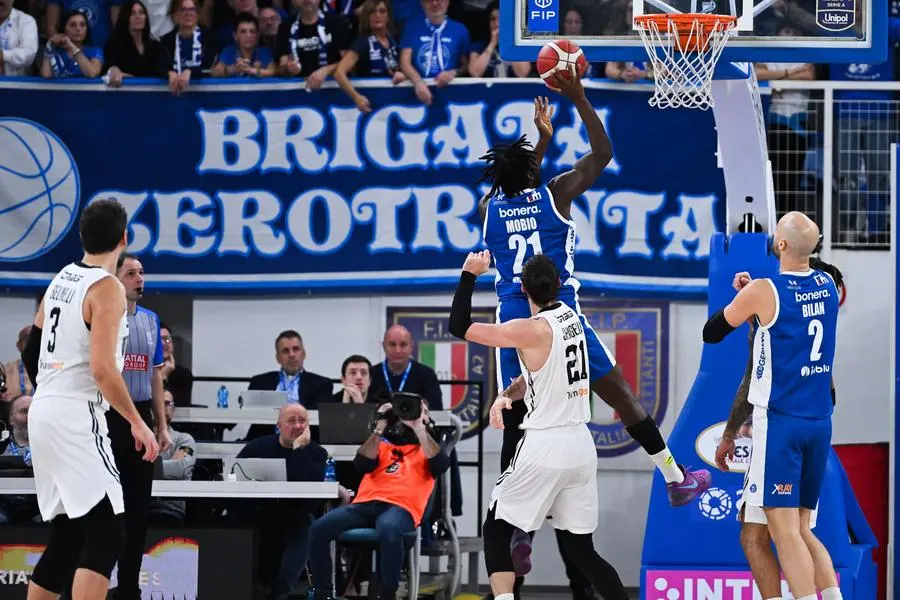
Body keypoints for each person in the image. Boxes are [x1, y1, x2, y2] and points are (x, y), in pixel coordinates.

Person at [477, 67, 710, 591]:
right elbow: (601, 155)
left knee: (519, 425)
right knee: (622, 396)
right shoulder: (556, 193)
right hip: (561, 319)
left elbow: (518, 182)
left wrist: (540, 141)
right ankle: (675, 478)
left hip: (514, 322)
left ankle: (518, 534)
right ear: (535, 173)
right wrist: (578, 100)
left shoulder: (489, 207)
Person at [448, 250, 630, 600]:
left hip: (545, 443)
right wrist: (507, 395)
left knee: (497, 530)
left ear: (522, 288)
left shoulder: (528, 330)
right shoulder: (572, 319)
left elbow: (459, 326)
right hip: (580, 446)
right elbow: (539, 372)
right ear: (559, 285)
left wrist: (469, 274)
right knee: (581, 551)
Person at [19, 198, 158, 600]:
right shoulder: (108, 287)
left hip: (45, 407)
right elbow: (102, 370)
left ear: (82, 237)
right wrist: (136, 420)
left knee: (70, 533)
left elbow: (31, 352)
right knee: (109, 534)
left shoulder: (61, 278)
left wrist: (52, 388)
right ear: (124, 238)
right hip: (76, 412)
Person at [702, 212, 843, 600]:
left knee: (784, 532)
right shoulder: (828, 284)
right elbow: (783, 322)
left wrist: (745, 298)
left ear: (780, 245)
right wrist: (755, 300)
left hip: (781, 424)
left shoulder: (766, 290)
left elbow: (712, 332)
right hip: (819, 421)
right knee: (801, 528)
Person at [307, 396, 449, 600]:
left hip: (400, 508)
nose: (414, 414)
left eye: (423, 411)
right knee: (318, 529)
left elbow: (440, 464)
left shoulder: (429, 448)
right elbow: (361, 463)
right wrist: (380, 424)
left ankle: (387, 594)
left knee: (389, 529)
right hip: (364, 505)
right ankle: (324, 593)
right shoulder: (382, 443)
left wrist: (419, 427)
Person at [109, 251, 171, 600]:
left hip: (143, 415)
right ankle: (96, 579)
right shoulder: (104, 317)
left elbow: (156, 377)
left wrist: (161, 426)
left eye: (141, 273)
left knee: (137, 506)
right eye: (131, 273)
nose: (139, 279)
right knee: (107, 506)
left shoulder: (150, 320)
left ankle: (129, 587)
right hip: (110, 417)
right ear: (115, 278)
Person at [236, 403, 333, 600]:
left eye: (302, 421)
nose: (298, 426)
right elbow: (235, 474)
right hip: (258, 511)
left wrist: (298, 450)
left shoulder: (316, 453)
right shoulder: (257, 446)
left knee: (307, 527)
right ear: (278, 425)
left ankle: (280, 591)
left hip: (296, 514)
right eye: (291, 421)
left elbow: (307, 491)